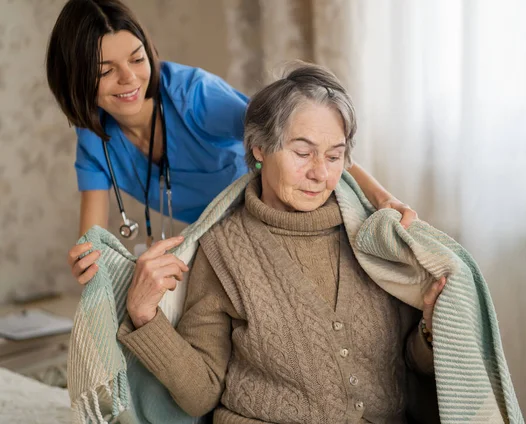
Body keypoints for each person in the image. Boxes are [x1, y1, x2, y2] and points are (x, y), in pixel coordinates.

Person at [118, 63, 446, 423]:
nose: (320, 173)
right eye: (303, 153)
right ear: (259, 149)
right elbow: (201, 394)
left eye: (334, 156)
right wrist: (144, 316)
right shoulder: (223, 251)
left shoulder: (373, 237)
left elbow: (409, 366)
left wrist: (430, 328)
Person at [45, 0, 419, 285]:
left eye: (137, 59)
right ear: (76, 79)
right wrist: (88, 262)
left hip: (277, 221)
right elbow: (92, 241)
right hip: (215, 243)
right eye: (105, 71)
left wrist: (381, 198)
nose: (129, 79)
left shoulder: (195, 96)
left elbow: (309, 139)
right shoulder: (95, 137)